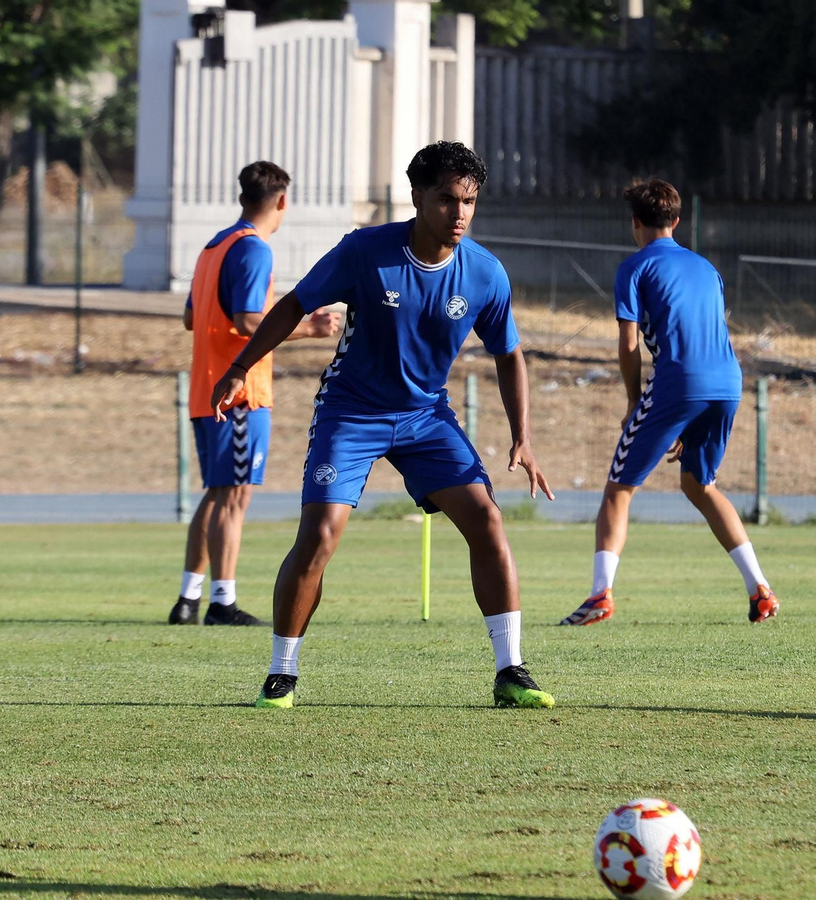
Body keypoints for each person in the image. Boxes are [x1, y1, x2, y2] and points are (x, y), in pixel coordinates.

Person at [210, 141, 557, 710]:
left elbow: (508, 353)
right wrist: (240, 368)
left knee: (487, 520)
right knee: (320, 535)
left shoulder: (485, 273)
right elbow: (295, 305)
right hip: (351, 411)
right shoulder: (365, 252)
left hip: (426, 417)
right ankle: (281, 673)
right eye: (447, 199)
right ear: (417, 197)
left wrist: (523, 436)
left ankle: (511, 670)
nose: (460, 213)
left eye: (469, 201)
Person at [558, 178, 777, 627]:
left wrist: (634, 400)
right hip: (727, 383)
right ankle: (760, 589)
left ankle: (600, 595)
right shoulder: (707, 269)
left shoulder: (634, 268)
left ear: (634, 222)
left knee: (619, 488)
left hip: (678, 383)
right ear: (676, 221)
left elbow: (628, 345)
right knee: (699, 485)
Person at [170, 161, 339, 627]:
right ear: (282, 201)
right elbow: (247, 320)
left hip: (205, 387)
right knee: (234, 497)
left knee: (217, 493)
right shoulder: (254, 249)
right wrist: (309, 329)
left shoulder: (214, 246)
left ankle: (188, 598)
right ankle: (222, 603)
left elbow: (192, 318)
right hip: (240, 393)